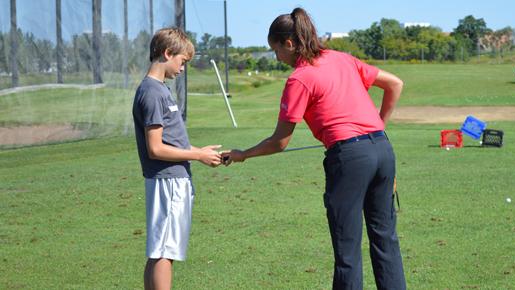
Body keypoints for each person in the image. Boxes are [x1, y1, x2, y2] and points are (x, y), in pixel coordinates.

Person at [222, 8, 406, 290]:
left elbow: (279, 141)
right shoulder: (342, 59)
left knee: (347, 250)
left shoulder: (299, 79)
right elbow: (395, 84)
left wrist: (243, 154)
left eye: (276, 51)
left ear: (290, 44)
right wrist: (378, 129)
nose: (277, 58)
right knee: (385, 240)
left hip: (350, 159)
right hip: (382, 150)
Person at [132, 27, 223, 290]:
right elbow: (156, 149)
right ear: (168, 53)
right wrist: (197, 155)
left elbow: (171, 142)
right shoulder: (152, 92)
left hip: (170, 181)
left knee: (160, 249)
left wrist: (201, 152)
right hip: (168, 182)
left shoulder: (159, 89)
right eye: (182, 61)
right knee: (164, 252)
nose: (183, 69)